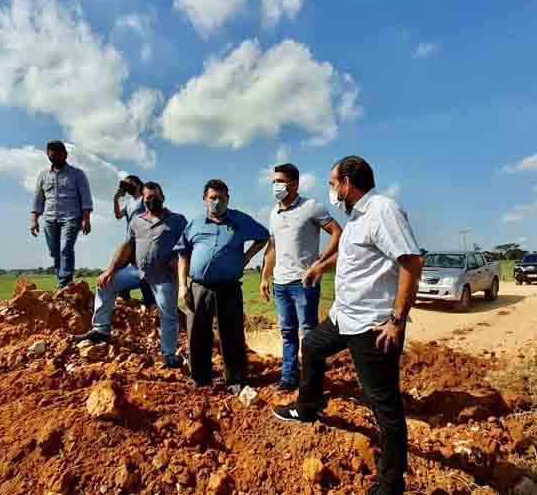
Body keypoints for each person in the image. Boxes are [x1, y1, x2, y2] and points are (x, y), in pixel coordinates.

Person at [272, 156, 424, 495]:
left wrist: (397, 320)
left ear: (347, 183)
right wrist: (320, 267)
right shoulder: (356, 216)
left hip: (372, 326)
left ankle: (391, 483)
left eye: (332, 183)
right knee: (312, 345)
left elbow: (412, 262)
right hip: (344, 317)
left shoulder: (383, 210)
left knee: (383, 403)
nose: (330, 189)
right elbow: (352, 255)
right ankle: (307, 407)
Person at [174, 179, 270, 394]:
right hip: (199, 287)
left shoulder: (240, 220)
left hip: (229, 287)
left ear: (228, 198)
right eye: (212, 198)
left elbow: (263, 236)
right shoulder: (195, 224)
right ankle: (200, 378)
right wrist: (182, 286)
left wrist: (246, 257)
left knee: (232, 334)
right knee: (197, 333)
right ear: (204, 199)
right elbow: (182, 253)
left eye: (222, 198)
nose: (217, 202)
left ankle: (235, 380)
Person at [75, 182, 187, 364]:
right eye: (148, 197)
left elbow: (186, 248)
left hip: (164, 276)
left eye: (155, 196)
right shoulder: (137, 221)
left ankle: (168, 356)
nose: (152, 200)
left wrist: (181, 276)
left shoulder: (177, 220)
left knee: (168, 314)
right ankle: (101, 329)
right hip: (138, 271)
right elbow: (127, 247)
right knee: (105, 283)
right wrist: (110, 270)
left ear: (163, 197)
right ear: (143, 200)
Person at [260, 163, 342, 391]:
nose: (276, 186)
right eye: (274, 182)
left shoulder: (311, 207)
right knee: (287, 332)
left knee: (309, 333)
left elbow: (337, 232)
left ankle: (311, 381)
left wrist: (320, 262)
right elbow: (272, 247)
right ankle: (288, 378)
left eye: (280, 181)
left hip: (304, 283)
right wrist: (265, 277)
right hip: (280, 283)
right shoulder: (273, 213)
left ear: (294, 184)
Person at [30, 140, 92, 289]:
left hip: (71, 217)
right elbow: (38, 199)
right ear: (48, 155)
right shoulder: (43, 175)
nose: (55, 157)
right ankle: (62, 280)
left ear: (65, 154)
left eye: (58, 154)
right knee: (54, 252)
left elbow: (86, 197)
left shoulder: (77, 174)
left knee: (65, 248)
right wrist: (34, 220)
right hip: (50, 218)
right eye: (52, 155)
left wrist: (86, 219)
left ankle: (65, 283)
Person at [113, 175, 157, 309]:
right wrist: (116, 198)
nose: (126, 186)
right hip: (129, 241)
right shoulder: (128, 202)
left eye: (129, 183)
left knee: (142, 270)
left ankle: (149, 300)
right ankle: (123, 295)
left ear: (137, 184)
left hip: (142, 239)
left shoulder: (144, 199)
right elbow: (118, 215)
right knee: (119, 267)